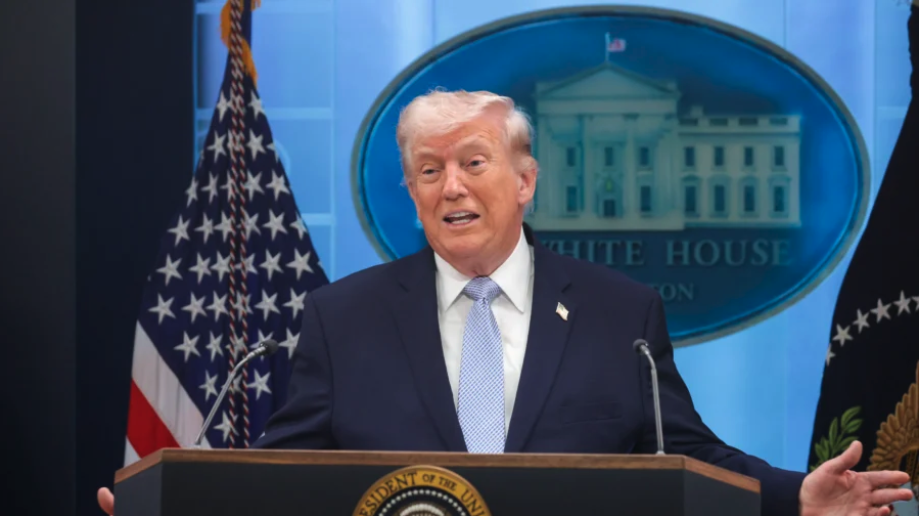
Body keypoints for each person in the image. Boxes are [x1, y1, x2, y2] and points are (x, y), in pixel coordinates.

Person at [98, 89, 912, 516]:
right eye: (427, 169)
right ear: (412, 195)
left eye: (472, 162)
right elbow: (281, 475)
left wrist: (790, 497)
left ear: (524, 182)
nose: (449, 185)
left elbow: (685, 453)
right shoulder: (340, 320)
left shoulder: (618, 314)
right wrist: (168, 504)